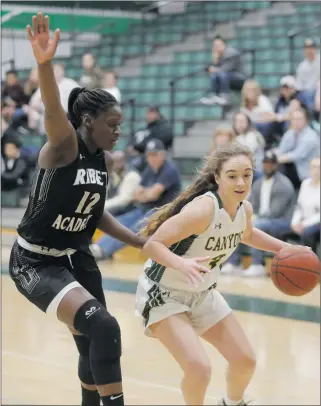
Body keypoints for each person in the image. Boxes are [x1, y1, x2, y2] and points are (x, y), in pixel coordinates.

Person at [8, 13, 147, 406]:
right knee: (104, 327)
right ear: (87, 120)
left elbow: (96, 213)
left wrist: (138, 239)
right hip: (35, 262)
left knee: (92, 343)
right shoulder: (65, 146)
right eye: (112, 125)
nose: (119, 132)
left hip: (76, 256)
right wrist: (44, 63)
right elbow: (53, 112)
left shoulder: (100, 157)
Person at [135, 143, 309, 406]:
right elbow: (151, 244)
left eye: (247, 175)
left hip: (202, 292)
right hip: (163, 293)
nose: (241, 182)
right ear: (217, 177)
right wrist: (181, 264)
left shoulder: (243, 209)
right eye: (232, 175)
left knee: (245, 360)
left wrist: (287, 248)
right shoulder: (203, 209)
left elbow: (247, 234)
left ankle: (232, 402)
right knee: (199, 368)